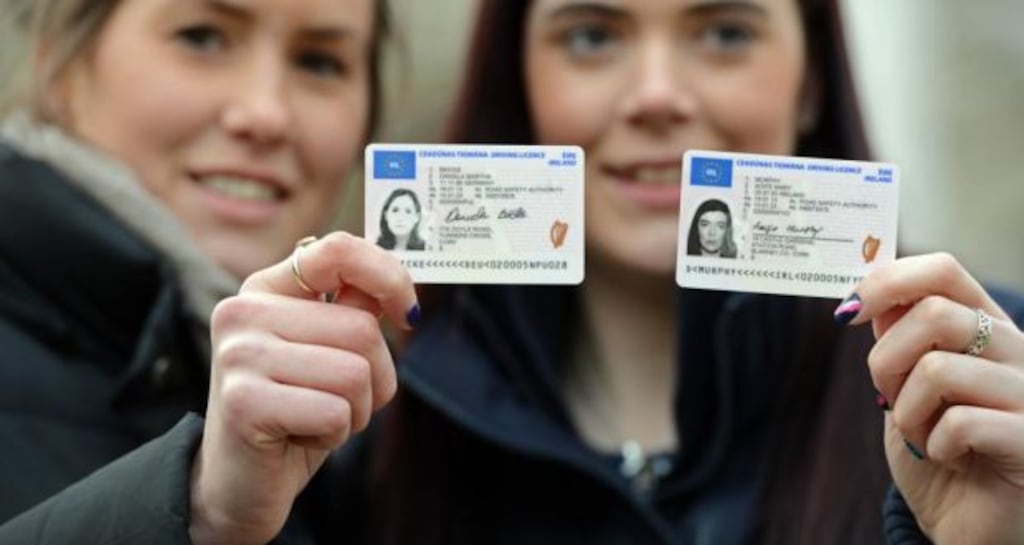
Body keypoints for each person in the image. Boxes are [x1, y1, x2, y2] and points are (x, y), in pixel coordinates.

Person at [6, 2, 1024, 545]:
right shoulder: (359, 420)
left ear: (809, 79)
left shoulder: (984, 389)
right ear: (516, 87)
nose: (657, 94)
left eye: (723, 30)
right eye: (591, 33)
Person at [0, 0, 417, 537]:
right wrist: (197, 509)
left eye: (318, 62)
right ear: (62, 60)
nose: (266, 114)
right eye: (201, 37)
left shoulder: (382, 415)